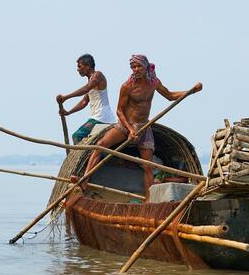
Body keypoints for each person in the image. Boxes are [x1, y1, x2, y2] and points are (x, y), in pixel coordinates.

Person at [81, 54, 202, 200]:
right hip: (126, 126)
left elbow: (170, 95)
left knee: (147, 166)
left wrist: (191, 91)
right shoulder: (127, 86)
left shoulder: (153, 82)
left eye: (138, 66)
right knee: (100, 146)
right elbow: (119, 111)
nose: (135, 69)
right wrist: (130, 129)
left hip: (144, 128)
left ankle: (148, 201)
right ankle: (84, 182)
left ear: (146, 67)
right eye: (133, 67)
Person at [56, 54, 117, 144]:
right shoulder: (90, 80)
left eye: (79, 66)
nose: (78, 69)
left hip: (102, 117)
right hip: (97, 117)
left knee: (77, 135)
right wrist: (69, 112)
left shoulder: (98, 75)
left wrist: (66, 97)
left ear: (88, 66)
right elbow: (84, 102)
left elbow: (86, 88)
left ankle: (82, 158)